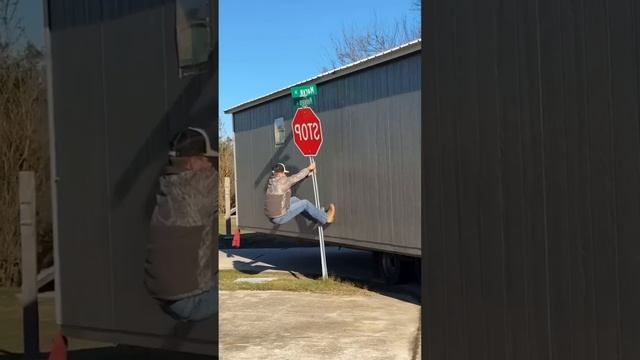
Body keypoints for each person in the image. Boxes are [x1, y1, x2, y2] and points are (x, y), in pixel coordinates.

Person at [144, 127, 218, 322]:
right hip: (191, 299)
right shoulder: (203, 185)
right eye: (204, 159)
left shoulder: (168, 182)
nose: (209, 164)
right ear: (191, 162)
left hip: (161, 295)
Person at [264, 162, 336, 225]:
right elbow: (295, 177)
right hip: (280, 217)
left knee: (294, 199)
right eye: (285, 173)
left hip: (272, 216)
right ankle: (326, 218)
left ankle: (316, 217)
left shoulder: (272, 181)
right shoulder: (282, 182)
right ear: (280, 173)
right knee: (305, 203)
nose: (285, 175)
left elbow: (292, 182)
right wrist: (309, 168)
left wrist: (307, 175)